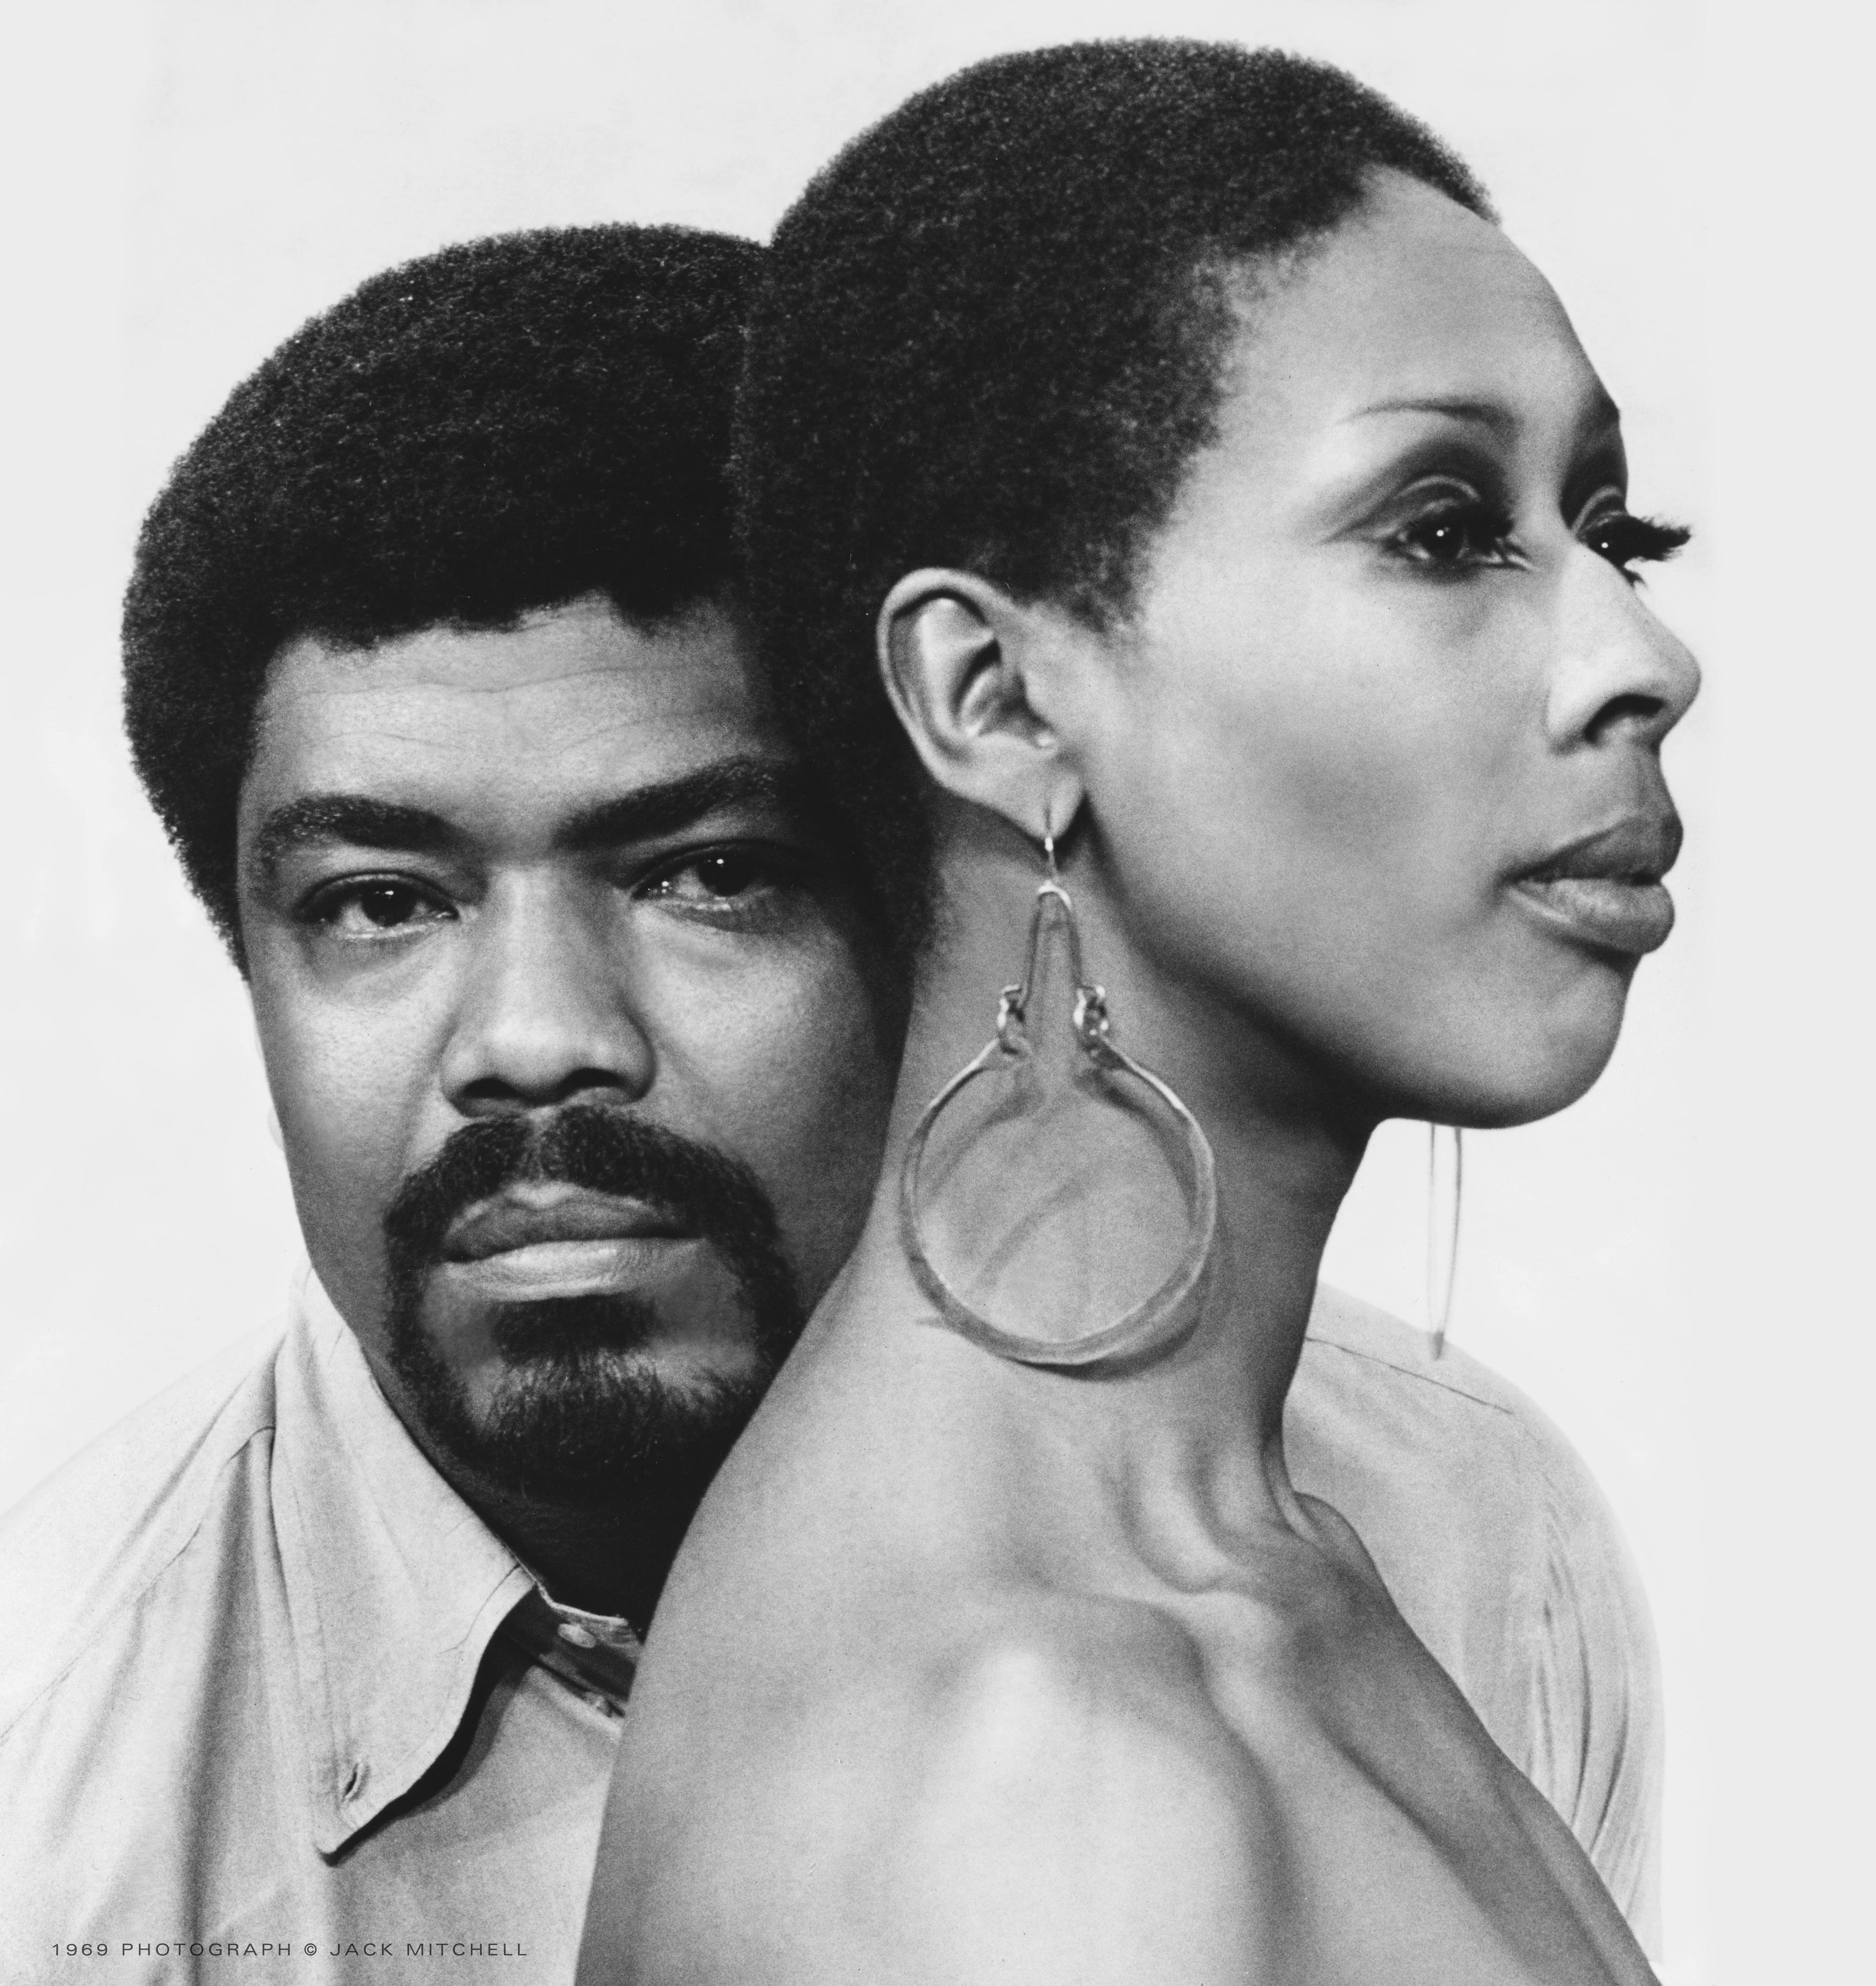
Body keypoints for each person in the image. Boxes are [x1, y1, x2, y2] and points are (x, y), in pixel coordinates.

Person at [0, 214, 1651, 1983]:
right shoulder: (54, 1764)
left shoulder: (1468, 1533)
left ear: (955, 890)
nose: (540, 1038)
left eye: (706, 873)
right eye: (379, 903)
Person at [579, 41, 1696, 1986]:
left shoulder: (1289, 1571)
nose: (1639, 657)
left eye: (1613, 528)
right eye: (1444, 528)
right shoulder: (1033, 1782)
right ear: (996, 704)